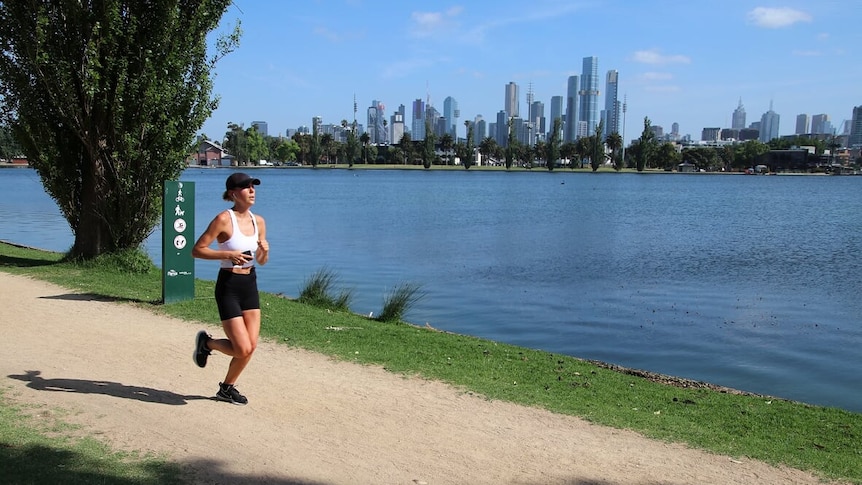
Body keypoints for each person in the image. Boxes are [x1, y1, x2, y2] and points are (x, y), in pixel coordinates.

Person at [191, 172, 269, 405]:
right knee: (242, 347)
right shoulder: (224, 220)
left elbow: (261, 261)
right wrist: (227, 254)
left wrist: (264, 251)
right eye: (247, 188)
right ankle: (207, 343)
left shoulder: (260, 222)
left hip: (250, 284)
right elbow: (197, 250)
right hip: (229, 286)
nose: (252, 191)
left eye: (253, 187)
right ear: (234, 193)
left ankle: (226, 388)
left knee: (251, 346)